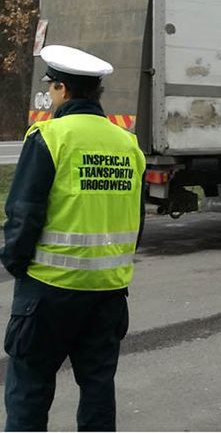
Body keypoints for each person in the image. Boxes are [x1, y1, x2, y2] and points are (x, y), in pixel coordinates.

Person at [1, 45, 146, 431]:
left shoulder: (50, 136)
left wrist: (16, 264)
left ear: (63, 89)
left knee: (29, 387)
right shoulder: (126, 143)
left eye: (51, 88)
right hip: (108, 291)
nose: (49, 96)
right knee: (98, 386)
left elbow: (23, 212)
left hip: (49, 289)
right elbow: (137, 217)